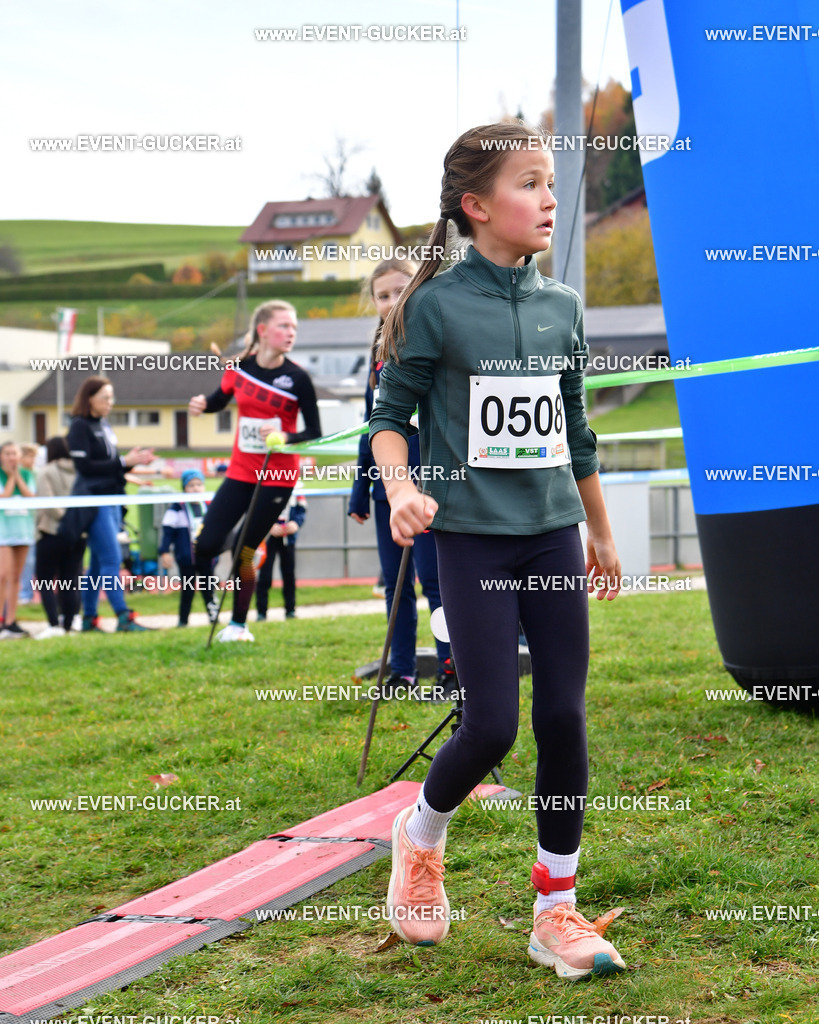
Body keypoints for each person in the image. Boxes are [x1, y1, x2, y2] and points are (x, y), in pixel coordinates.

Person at [369, 121, 626, 977]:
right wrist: (403, 488)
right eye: (528, 184)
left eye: (551, 183)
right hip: (471, 542)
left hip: (551, 530)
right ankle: (420, 835)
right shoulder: (435, 304)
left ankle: (555, 911)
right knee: (490, 724)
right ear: (476, 206)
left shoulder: (562, 305)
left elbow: (576, 431)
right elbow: (388, 421)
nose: (549, 199)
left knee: (563, 719)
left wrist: (598, 528)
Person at [348, 259, 453, 695]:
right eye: (383, 294)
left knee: (435, 582)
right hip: (385, 491)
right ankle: (403, 671)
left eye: (400, 290)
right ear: (372, 301)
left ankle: (451, 670)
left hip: (427, 486)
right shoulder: (376, 353)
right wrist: (361, 489)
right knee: (396, 586)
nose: (391, 301)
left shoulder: (433, 339)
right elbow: (373, 427)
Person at [188, 300, 321, 642]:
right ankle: (212, 603)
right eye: (283, 326)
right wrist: (204, 403)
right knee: (204, 545)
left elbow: (314, 433)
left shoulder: (297, 378)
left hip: (277, 476)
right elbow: (221, 398)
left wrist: (285, 435)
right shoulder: (239, 367)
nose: (291, 333)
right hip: (240, 472)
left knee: (245, 551)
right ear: (263, 330)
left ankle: (237, 626)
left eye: (294, 327)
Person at [66, 376, 155, 632]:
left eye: (111, 397)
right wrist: (123, 462)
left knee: (96, 563)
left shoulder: (104, 425)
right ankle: (123, 616)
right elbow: (85, 467)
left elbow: (112, 465)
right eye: (105, 397)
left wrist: (135, 461)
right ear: (89, 398)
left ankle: (89, 618)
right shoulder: (79, 426)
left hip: (113, 497)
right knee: (111, 559)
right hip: (94, 500)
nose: (109, 403)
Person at [34, 437, 85, 638]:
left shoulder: (46, 471)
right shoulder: (81, 471)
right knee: (70, 581)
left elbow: (47, 501)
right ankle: (70, 624)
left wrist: (64, 520)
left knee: (45, 580)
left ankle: (54, 625)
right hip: (78, 534)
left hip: (51, 531)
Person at [158, 468, 210, 628]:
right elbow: (167, 532)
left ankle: (214, 618)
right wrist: (164, 551)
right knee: (187, 591)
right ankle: (183, 621)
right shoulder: (177, 508)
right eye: (191, 485)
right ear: (184, 489)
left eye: (199, 484)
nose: (196, 488)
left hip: (206, 557)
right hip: (186, 558)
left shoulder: (209, 506)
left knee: (209, 590)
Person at [0, 441, 36, 638]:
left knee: (16, 577)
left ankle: (11, 621)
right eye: (7, 453)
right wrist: (11, 476)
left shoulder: (27, 474)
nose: (11, 457)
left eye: (14, 453)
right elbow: (4, 495)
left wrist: (18, 475)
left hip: (22, 530)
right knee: (2, 575)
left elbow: (30, 496)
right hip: (3, 532)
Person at [255, 492, 307, 620]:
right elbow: (257, 509)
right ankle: (261, 612)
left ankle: (290, 610)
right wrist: (268, 526)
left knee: (289, 575)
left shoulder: (297, 489)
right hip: (268, 538)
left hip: (288, 538)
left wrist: (296, 523)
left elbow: (302, 510)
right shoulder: (266, 484)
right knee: (265, 576)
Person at [17, 443, 40, 605]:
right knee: (27, 559)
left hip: (37, 520)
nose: (33, 460)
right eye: (30, 456)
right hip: (22, 522)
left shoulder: (37, 473)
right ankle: (26, 592)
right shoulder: (17, 474)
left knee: (36, 558)